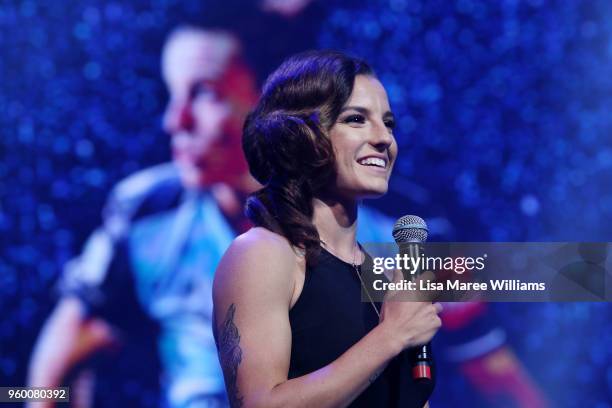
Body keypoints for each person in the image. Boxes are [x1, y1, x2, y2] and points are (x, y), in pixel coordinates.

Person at [27, 27, 258, 408]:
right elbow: (56, 366)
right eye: (173, 94)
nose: (175, 121)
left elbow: (394, 347)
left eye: (204, 93)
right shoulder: (148, 214)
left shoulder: (377, 224)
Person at [212, 51, 443, 407]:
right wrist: (392, 335)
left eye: (389, 123)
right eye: (356, 119)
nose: (384, 139)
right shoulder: (263, 253)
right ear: (301, 134)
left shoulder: (378, 276)